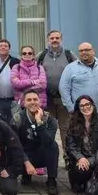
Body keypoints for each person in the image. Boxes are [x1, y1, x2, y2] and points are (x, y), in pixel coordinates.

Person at [10, 90, 60, 195]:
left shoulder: (50, 119)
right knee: (13, 150)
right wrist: (27, 162)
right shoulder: (17, 118)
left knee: (54, 146)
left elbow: (48, 142)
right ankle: (26, 174)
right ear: (24, 103)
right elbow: (15, 145)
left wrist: (39, 122)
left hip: (42, 154)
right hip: (25, 156)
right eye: (29, 100)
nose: (33, 102)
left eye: (35, 99)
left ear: (40, 101)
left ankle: (51, 180)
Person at [36, 30, 76, 158]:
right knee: (48, 129)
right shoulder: (41, 55)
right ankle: (49, 157)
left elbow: (77, 69)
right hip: (47, 99)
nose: (54, 40)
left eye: (57, 38)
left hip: (64, 99)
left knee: (66, 130)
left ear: (61, 39)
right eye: (52, 38)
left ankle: (68, 157)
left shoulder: (69, 55)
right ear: (48, 40)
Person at [59, 42, 98, 121]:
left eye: (87, 50)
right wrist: (71, 108)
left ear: (93, 51)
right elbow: (63, 89)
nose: (84, 52)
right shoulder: (70, 68)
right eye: (81, 51)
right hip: (83, 114)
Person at [0, 39, 20, 125]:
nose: (3, 47)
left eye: (5, 46)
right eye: (1, 46)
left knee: (14, 123)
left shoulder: (16, 61)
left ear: (9, 49)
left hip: (13, 100)